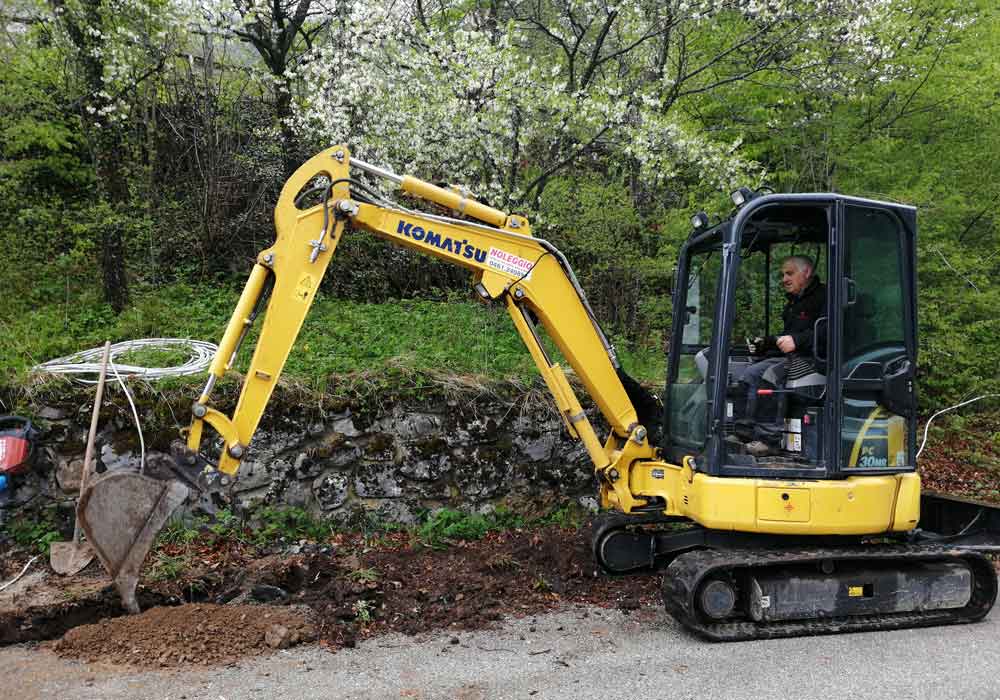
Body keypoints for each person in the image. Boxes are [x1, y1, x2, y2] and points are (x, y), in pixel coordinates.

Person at [740, 255, 826, 452]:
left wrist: (797, 341)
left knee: (772, 375)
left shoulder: (825, 296)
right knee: (750, 373)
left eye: (789, 273)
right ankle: (745, 431)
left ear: (807, 272)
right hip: (794, 357)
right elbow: (788, 337)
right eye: (783, 274)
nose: (784, 279)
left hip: (817, 358)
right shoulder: (794, 303)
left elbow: (830, 331)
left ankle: (769, 440)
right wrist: (765, 344)